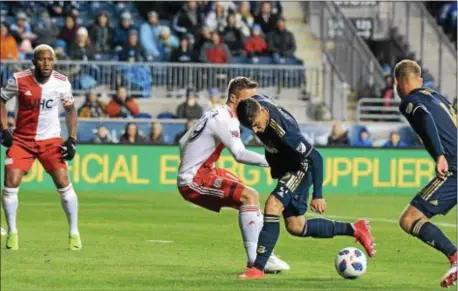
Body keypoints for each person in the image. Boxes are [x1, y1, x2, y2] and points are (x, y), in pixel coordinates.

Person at [236, 95, 375, 279]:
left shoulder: (285, 132)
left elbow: (316, 157)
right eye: (251, 126)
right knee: (296, 226)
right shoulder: (255, 104)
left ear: (262, 112)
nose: (255, 129)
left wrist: (318, 194)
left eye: (256, 124)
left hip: (300, 167)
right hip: (286, 167)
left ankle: (257, 268)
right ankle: (355, 228)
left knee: (273, 205)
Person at [177, 77, 290, 272]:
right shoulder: (225, 119)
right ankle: (257, 260)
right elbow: (239, 154)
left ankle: (264, 255)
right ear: (233, 98)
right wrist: (273, 161)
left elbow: (182, 141)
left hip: (206, 171)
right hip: (194, 180)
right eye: (248, 100)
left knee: (250, 196)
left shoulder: (215, 113)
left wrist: (192, 161)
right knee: (249, 196)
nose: (254, 105)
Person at [0, 44, 81, 250]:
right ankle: (13, 233)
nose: (46, 63)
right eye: (42, 59)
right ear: (34, 61)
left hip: (50, 140)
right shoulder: (19, 79)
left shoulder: (62, 83)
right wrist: (4, 129)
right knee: (11, 181)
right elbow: (1, 100)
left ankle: (74, 234)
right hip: (22, 140)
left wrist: (72, 139)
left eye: (50, 59)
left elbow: (71, 111)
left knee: (63, 182)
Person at [395, 60, 457, 288]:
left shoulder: (411, 101)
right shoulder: (437, 97)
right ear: (419, 80)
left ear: (398, 83)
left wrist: (440, 154)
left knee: (410, 219)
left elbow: (424, 118)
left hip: (455, 166)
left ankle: (455, 256)